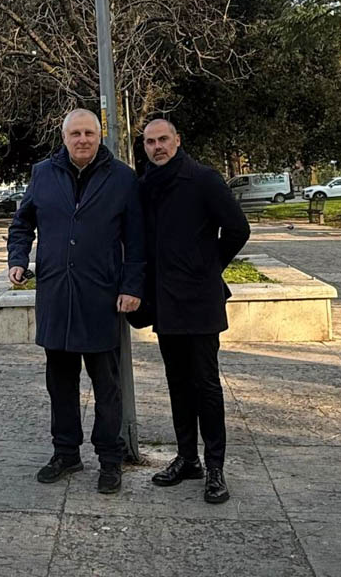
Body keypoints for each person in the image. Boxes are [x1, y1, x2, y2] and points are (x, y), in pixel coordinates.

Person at [8, 108, 144, 494]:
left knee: (107, 387)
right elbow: (22, 224)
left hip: (101, 298)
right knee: (60, 384)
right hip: (56, 296)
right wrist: (18, 260)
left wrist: (132, 286)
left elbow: (136, 241)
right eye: (75, 134)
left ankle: (110, 459)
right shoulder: (42, 173)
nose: (82, 139)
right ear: (64, 137)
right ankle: (65, 452)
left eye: (89, 133)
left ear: (100, 136)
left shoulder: (122, 178)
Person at [138, 118, 250, 505]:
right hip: (165, 303)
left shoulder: (203, 178)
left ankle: (215, 466)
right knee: (177, 384)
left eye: (163, 139)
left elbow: (238, 230)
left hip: (200, 302)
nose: (157, 147)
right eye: (150, 142)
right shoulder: (147, 185)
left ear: (178, 140)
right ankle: (187, 458)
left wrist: (207, 267)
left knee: (205, 385)